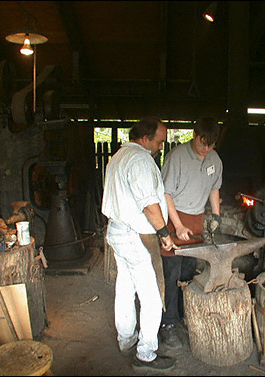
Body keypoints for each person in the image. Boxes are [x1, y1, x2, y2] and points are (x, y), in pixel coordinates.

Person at [102, 116, 179, 372]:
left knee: (125, 287)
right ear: (145, 138)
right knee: (152, 296)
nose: (161, 146)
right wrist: (164, 233)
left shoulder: (118, 157)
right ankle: (146, 353)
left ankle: (126, 341)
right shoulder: (140, 161)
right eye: (159, 141)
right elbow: (149, 205)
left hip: (117, 232)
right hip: (135, 237)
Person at [159, 116, 223, 348]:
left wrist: (215, 216)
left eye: (211, 145)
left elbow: (215, 188)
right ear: (195, 136)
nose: (206, 149)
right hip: (175, 219)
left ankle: (183, 315)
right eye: (202, 143)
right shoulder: (177, 157)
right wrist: (177, 226)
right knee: (171, 274)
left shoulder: (214, 159)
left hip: (196, 221)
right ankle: (167, 323)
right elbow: (165, 195)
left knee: (188, 273)